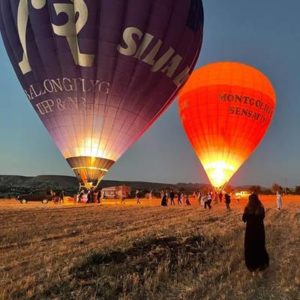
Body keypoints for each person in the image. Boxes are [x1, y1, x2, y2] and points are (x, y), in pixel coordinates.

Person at [242, 193, 269, 272]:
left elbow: (243, 219)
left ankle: (252, 265)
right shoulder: (261, 208)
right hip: (259, 230)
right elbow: (263, 217)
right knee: (260, 245)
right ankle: (261, 264)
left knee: (250, 247)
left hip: (250, 232)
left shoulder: (247, 208)